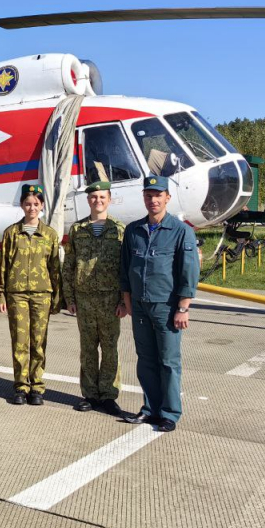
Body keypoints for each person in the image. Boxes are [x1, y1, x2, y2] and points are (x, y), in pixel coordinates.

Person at [119, 176, 199, 432]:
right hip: (140, 306)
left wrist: (183, 307)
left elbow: (188, 271)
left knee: (168, 361)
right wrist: (128, 301)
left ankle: (170, 413)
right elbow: (125, 269)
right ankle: (150, 409)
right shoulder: (134, 230)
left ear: (167, 198)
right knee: (146, 360)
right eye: (148, 196)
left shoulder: (180, 231)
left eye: (158, 195)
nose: (153, 200)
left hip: (166, 306)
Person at [62, 181, 127, 415]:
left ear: (109, 199)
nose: (97, 201)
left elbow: (125, 268)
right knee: (87, 349)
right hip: (85, 299)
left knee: (110, 349)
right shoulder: (77, 230)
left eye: (102, 197)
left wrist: (123, 301)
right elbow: (69, 265)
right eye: (93, 197)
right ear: (87, 200)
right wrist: (69, 298)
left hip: (111, 300)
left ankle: (109, 395)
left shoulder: (119, 229)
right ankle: (89, 394)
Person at [0, 184, 62, 406]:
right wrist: (1, 295)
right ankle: (20, 386)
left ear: (42, 205)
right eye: (28, 203)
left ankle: (36, 386)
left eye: (36, 204)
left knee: (38, 341)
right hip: (16, 294)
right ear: (22, 205)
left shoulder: (50, 235)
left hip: (41, 295)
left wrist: (57, 298)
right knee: (20, 341)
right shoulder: (11, 233)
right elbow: (3, 266)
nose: (31, 207)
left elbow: (55, 268)